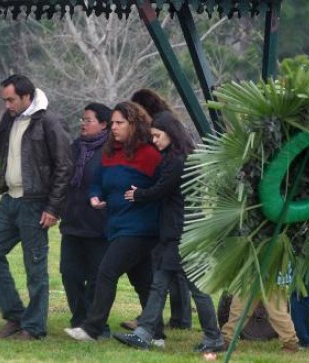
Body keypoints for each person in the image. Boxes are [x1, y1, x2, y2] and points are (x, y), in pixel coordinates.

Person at [113, 111, 225, 352]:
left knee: (184, 286)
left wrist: (137, 194)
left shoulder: (177, 161)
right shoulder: (182, 157)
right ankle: (146, 332)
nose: (154, 140)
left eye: (157, 136)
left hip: (181, 232)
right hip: (182, 230)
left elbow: (162, 189)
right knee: (164, 283)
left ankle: (212, 337)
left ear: (170, 134)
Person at [0, 74, 73, 340]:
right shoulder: (10, 118)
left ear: (26, 96)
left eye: (11, 99)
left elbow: (65, 166)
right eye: (4, 100)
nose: (6, 105)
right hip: (9, 202)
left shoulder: (50, 122)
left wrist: (53, 208)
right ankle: (16, 317)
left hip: (36, 204)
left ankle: (34, 328)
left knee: (35, 268)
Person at [64, 101, 163, 341]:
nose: (114, 127)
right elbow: (98, 181)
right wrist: (95, 195)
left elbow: (163, 188)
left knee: (106, 272)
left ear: (134, 125)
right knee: (143, 282)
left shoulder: (150, 154)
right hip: (116, 226)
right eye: (113, 123)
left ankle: (92, 328)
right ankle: (157, 335)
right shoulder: (110, 152)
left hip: (140, 229)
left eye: (120, 123)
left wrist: (142, 196)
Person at [118, 88, 192, 331]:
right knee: (169, 273)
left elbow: (163, 184)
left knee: (168, 270)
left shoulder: (169, 147)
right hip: (173, 215)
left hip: (172, 217)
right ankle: (161, 321)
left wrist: (139, 194)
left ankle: (160, 321)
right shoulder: (172, 135)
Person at [59, 103, 111, 333]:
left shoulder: (111, 151)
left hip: (99, 226)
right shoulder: (75, 148)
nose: (83, 124)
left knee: (97, 278)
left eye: (88, 120)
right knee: (69, 274)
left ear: (103, 124)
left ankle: (95, 322)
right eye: (82, 119)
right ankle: (80, 318)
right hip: (72, 222)